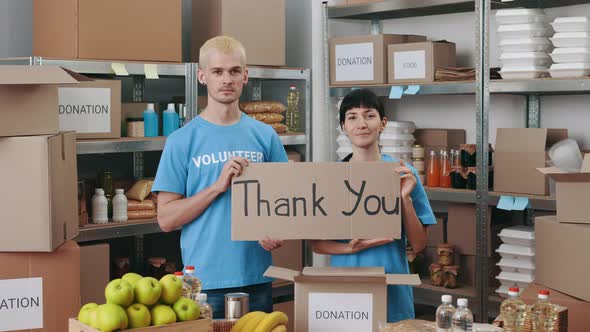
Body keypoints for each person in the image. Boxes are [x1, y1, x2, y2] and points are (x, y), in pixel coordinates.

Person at [152, 36, 288, 318]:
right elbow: (166, 219)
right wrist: (217, 187)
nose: (226, 79)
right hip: (204, 284)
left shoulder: (265, 136)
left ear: (245, 76)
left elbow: (287, 206)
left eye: (234, 71)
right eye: (217, 72)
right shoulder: (181, 141)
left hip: (258, 277)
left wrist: (278, 231)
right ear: (202, 76)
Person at [310, 89, 436, 323]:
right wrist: (352, 248)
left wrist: (404, 199)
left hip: (393, 288)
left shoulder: (403, 173)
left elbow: (419, 244)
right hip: (347, 291)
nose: (361, 124)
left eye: (369, 115)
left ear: (383, 123)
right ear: (343, 127)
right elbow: (317, 244)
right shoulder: (329, 177)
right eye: (352, 117)